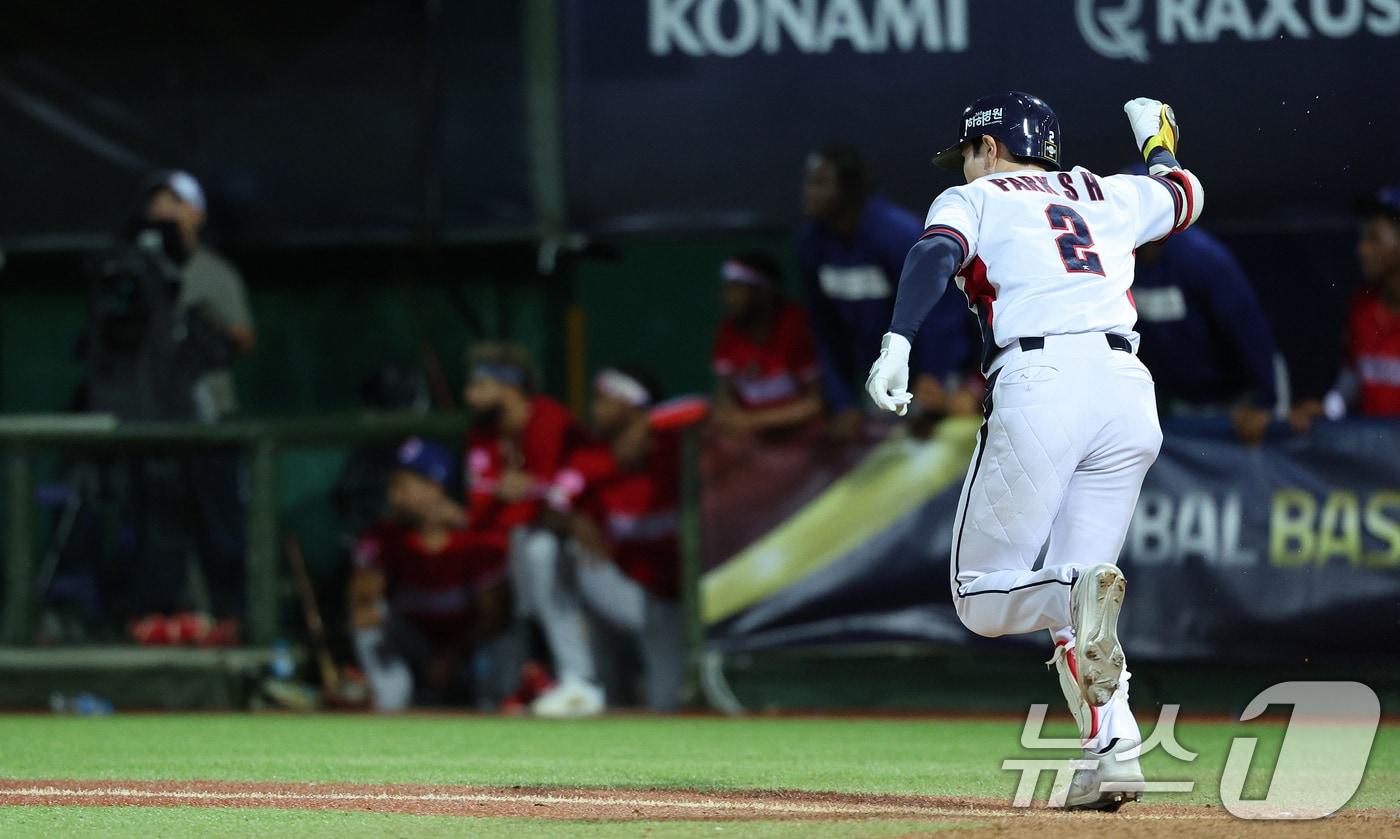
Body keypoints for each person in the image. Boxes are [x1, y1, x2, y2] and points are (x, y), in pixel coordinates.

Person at [866, 93, 1203, 810]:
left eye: (967, 150)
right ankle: (1114, 750)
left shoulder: (978, 195)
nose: (963, 163)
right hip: (1126, 391)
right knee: (1079, 599)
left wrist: (898, 339)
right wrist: (1157, 144)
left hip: (1042, 380)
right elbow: (1184, 193)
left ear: (989, 148)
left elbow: (934, 251)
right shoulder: (1105, 192)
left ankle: (1073, 596)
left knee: (982, 595)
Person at [517, 367, 687, 716]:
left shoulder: (676, 448)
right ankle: (579, 682)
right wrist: (574, 519)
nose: (596, 409)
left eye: (606, 401)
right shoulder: (589, 459)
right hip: (613, 586)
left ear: (634, 405)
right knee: (543, 547)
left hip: (673, 603)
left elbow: (701, 405)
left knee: (665, 705)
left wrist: (650, 424)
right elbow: (549, 510)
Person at [799, 144, 976, 438]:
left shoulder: (898, 235)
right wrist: (842, 402)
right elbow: (825, 330)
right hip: (880, 380)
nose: (808, 191)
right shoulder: (812, 245)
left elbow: (939, 313)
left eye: (820, 182)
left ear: (849, 187)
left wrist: (934, 380)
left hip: (935, 375)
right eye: (809, 181)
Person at [350, 438, 508, 710]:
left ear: (434, 488)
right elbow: (363, 603)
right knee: (370, 622)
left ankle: (498, 706)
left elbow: (493, 617)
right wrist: (380, 552)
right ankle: (392, 701)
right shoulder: (384, 537)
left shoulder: (475, 537)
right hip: (416, 648)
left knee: (502, 647)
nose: (393, 497)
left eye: (403, 486)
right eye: (392, 486)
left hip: (467, 649)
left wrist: (451, 656)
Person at [1132, 225, 1279, 444]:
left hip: (1234, 401)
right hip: (1173, 404)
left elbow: (1249, 329)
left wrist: (1266, 401)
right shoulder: (1114, 260)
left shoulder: (1202, 257)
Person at [1292, 186, 1400, 428]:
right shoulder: (1362, 305)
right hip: (1377, 453)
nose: (1361, 249)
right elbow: (1354, 374)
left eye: (1374, 239)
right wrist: (1329, 409)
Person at [711, 253, 823, 438]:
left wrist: (753, 421)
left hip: (801, 439)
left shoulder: (796, 325)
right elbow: (722, 404)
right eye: (727, 290)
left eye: (737, 289)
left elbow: (816, 403)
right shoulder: (728, 332)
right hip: (750, 442)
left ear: (764, 292)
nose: (728, 298)